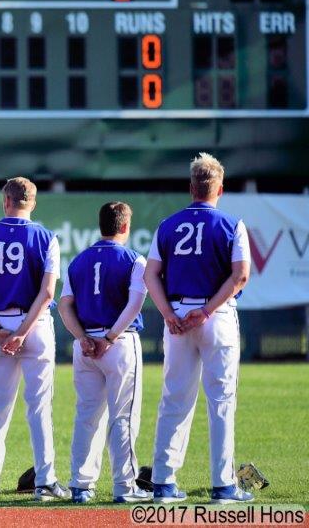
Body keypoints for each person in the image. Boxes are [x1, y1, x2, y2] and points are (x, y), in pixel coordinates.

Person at [145, 153, 252, 504]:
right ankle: (224, 486)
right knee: (221, 401)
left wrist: (169, 314)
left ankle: (163, 483)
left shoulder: (168, 225)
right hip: (215, 316)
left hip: (177, 316)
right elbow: (240, 276)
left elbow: (150, 276)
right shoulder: (232, 224)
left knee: (174, 398)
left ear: (191, 187)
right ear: (219, 188)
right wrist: (206, 311)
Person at [0, 177, 69, 501]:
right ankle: (45, 482)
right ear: (33, 203)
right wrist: (23, 331)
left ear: (5, 201)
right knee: (39, 407)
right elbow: (49, 291)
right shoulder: (46, 237)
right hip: (34, 326)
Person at [58, 201, 150, 504]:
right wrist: (110, 337)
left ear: (102, 225)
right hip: (119, 343)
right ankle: (125, 487)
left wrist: (82, 337)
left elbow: (64, 306)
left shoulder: (78, 261)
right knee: (123, 417)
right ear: (124, 226)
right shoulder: (135, 260)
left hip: (85, 347)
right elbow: (134, 303)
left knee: (87, 415)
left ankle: (81, 486)